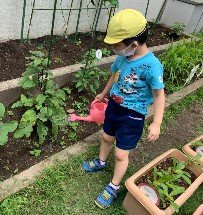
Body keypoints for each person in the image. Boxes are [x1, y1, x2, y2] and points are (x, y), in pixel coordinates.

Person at [82, 8, 165, 209]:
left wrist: (156, 122)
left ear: (133, 44)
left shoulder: (152, 66)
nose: (114, 50)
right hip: (114, 108)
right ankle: (101, 162)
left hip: (132, 117)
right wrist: (103, 94)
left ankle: (114, 186)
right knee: (107, 137)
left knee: (121, 154)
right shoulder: (123, 58)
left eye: (117, 46)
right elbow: (114, 76)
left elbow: (159, 95)